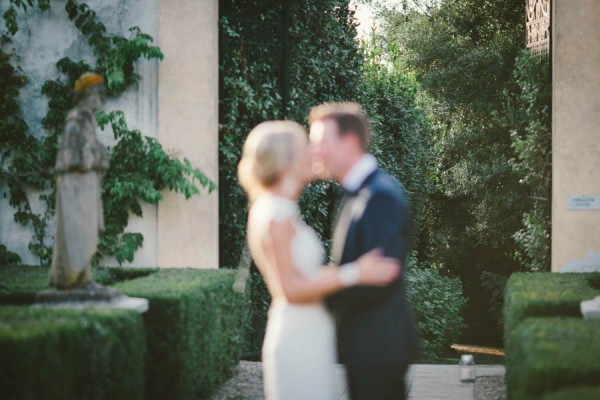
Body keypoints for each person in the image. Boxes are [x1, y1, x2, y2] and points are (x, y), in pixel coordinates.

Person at [238, 120, 401, 400]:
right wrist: (354, 274)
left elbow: (305, 276)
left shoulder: (284, 210)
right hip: (297, 337)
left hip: (313, 333)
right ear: (286, 160)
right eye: (305, 148)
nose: (314, 153)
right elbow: (288, 289)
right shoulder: (275, 215)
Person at [309, 102, 419, 400]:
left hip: (377, 348)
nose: (315, 151)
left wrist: (313, 289)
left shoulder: (380, 196)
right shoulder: (357, 193)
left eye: (321, 142)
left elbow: (380, 276)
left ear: (350, 142)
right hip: (365, 346)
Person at [50, 72, 109, 289]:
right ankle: (74, 281)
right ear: (88, 95)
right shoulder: (76, 120)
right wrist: (97, 156)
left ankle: (84, 278)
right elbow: (72, 156)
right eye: (99, 94)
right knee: (76, 234)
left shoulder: (88, 120)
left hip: (85, 185)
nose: (102, 99)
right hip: (75, 185)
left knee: (86, 234)